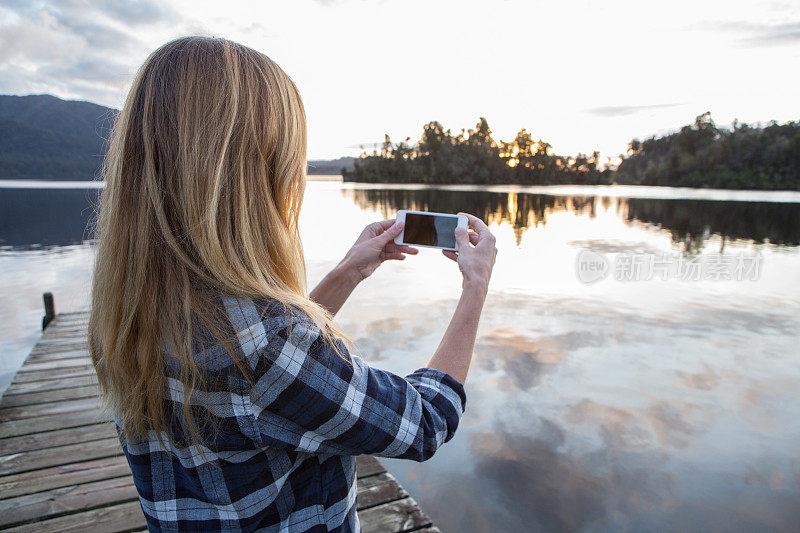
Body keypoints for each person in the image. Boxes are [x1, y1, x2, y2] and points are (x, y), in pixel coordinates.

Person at [88, 36, 496, 532]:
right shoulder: (264, 347)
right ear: (254, 171)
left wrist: (349, 271)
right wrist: (475, 287)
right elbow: (426, 421)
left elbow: (269, 371)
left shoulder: (131, 310)